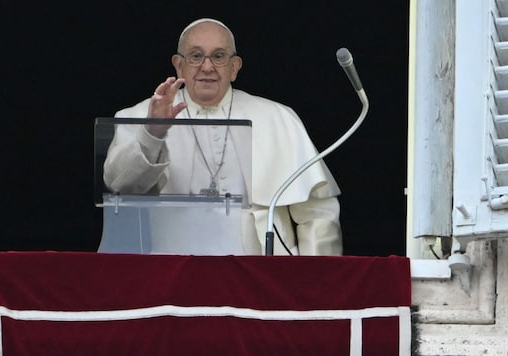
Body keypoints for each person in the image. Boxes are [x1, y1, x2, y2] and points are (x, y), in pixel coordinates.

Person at [102, 18, 342, 256]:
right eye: (196, 56)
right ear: (178, 65)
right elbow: (120, 187)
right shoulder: (137, 117)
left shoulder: (278, 117)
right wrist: (152, 133)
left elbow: (317, 213)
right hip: (173, 277)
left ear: (235, 67)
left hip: (264, 278)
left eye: (218, 56)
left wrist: (314, 283)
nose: (207, 67)